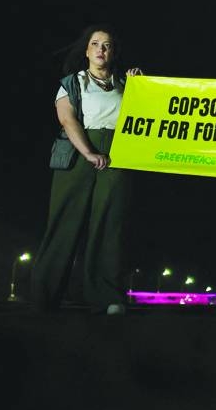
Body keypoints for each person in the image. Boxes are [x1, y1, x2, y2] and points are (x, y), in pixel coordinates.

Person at [31, 23, 143, 316]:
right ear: (86, 50)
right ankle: (45, 295)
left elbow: (146, 114)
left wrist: (140, 85)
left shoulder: (123, 83)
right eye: (95, 44)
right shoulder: (72, 82)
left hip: (117, 154)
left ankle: (106, 296)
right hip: (79, 155)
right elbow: (68, 121)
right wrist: (89, 152)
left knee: (110, 225)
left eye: (106, 45)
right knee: (65, 221)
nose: (101, 49)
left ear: (113, 51)